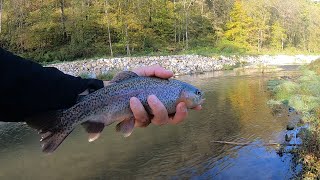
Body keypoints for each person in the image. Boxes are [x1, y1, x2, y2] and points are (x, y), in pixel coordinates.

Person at [0, 48, 201, 128]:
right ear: (187, 92)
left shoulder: (178, 89)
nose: (199, 97)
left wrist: (99, 88)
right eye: (198, 94)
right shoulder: (178, 87)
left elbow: (11, 76)